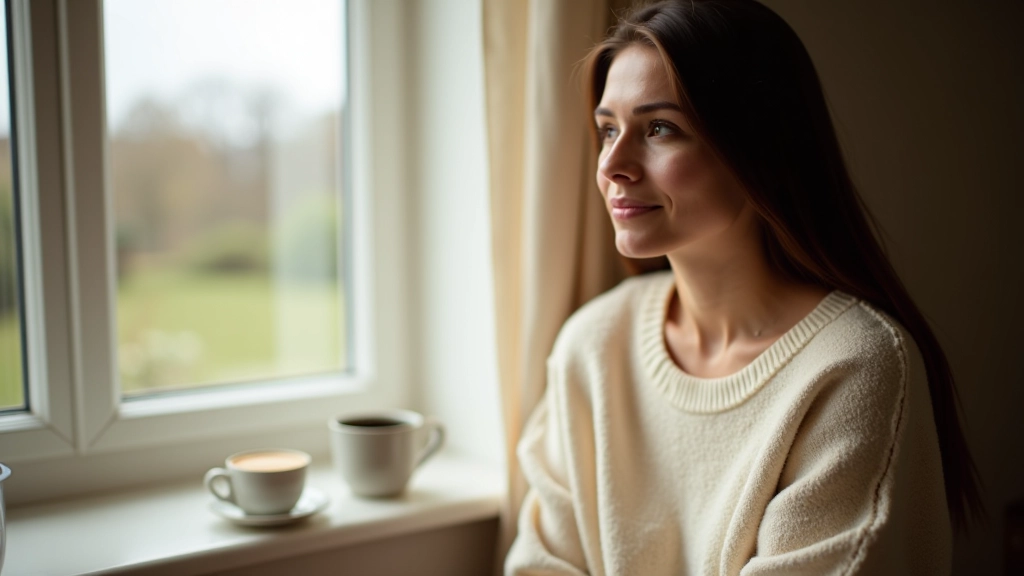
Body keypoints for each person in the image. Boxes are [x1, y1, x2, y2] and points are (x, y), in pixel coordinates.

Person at [504, 1, 982, 574]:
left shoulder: (856, 367)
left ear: (759, 148)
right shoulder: (592, 343)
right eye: (608, 129)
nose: (613, 164)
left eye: (660, 128)